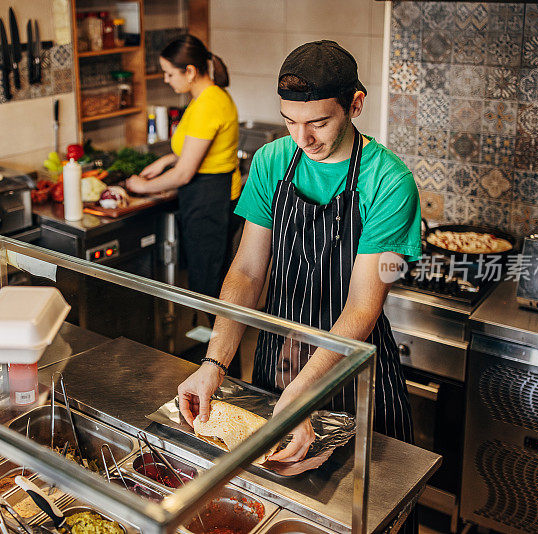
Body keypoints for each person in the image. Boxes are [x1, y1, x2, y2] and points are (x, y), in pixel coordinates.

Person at [176, 41, 421, 531]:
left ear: (355, 104)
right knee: (275, 516)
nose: (302, 137)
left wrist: (300, 397)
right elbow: (246, 271)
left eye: (319, 123)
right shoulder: (272, 162)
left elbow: (360, 308)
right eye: (289, 120)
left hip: (355, 377)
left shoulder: (389, 182)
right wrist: (214, 362)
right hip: (275, 366)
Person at [125, 35, 241, 301]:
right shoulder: (210, 97)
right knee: (210, 277)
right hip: (212, 194)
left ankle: (216, 342)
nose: (166, 80)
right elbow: (197, 149)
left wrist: (141, 186)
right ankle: (213, 339)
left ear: (189, 71)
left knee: (208, 284)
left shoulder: (207, 105)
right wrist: (165, 160)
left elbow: (184, 173)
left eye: (169, 73)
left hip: (210, 199)